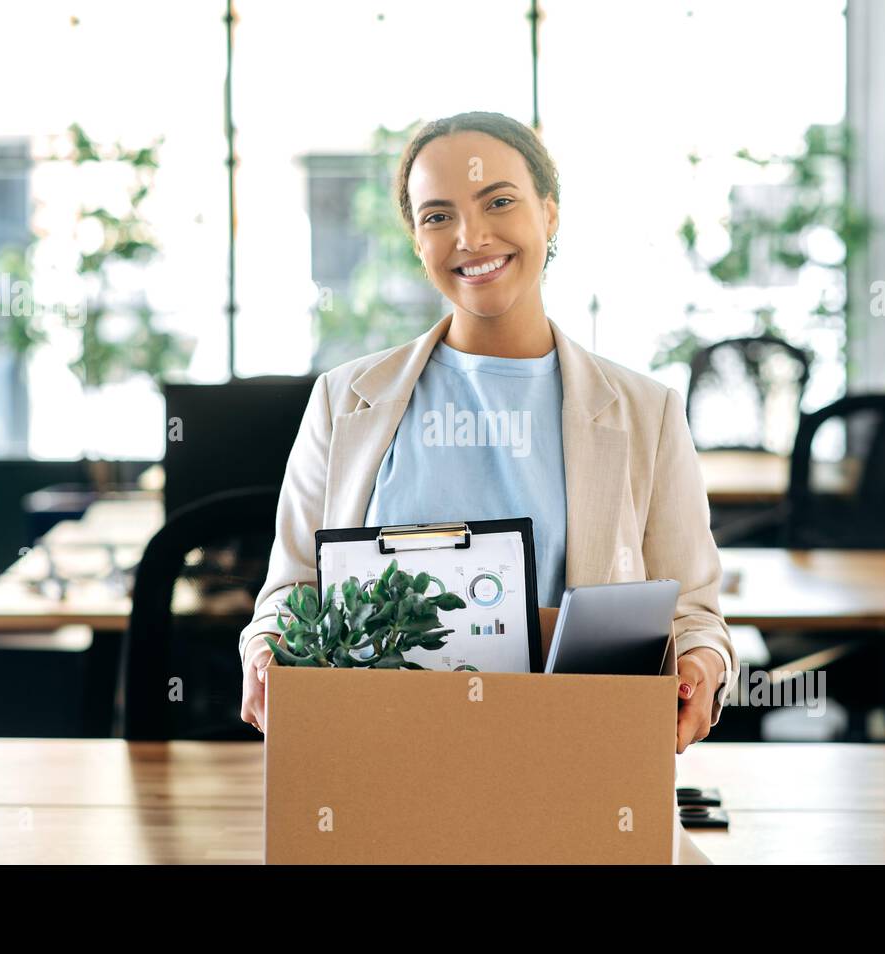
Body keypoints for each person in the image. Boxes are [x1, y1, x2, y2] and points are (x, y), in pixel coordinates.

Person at [240, 110, 738, 753]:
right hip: (378, 757)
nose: (470, 236)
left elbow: (693, 614)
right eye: (438, 216)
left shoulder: (649, 413)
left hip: (576, 759)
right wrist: (266, 650)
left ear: (548, 213)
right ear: (417, 242)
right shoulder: (344, 402)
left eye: (498, 201)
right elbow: (290, 592)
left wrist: (701, 668)